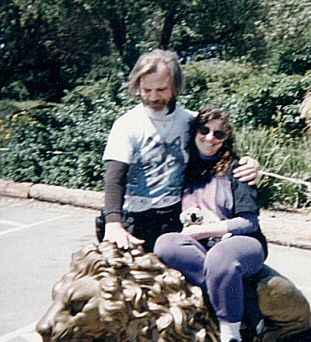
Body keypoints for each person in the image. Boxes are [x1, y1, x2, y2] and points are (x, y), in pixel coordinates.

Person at [102, 49, 260, 252]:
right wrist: (113, 223)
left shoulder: (190, 122)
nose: (152, 96)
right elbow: (114, 177)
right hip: (135, 219)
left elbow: (220, 152)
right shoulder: (127, 125)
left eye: (161, 89)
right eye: (146, 90)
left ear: (175, 87)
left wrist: (250, 164)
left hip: (176, 219)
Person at [153, 105, 268, 342]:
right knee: (165, 245)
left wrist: (203, 232)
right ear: (195, 133)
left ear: (225, 138)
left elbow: (248, 222)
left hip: (242, 243)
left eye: (219, 133)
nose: (210, 138)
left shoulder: (238, 168)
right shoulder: (184, 169)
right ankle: (239, 302)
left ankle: (231, 341)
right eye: (204, 130)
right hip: (203, 248)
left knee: (221, 258)